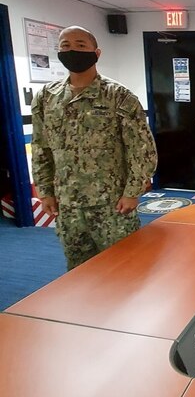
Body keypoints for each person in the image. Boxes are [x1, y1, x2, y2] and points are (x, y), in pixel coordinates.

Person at [31, 26, 157, 271]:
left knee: (123, 268)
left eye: (80, 45)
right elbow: (40, 147)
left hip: (111, 204)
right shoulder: (47, 97)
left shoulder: (119, 96)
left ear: (96, 53)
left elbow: (142, 149)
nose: (72, 50)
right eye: (65, 45)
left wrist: (132, 192)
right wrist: (45, 190)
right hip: (68, 205)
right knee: (79, 273)